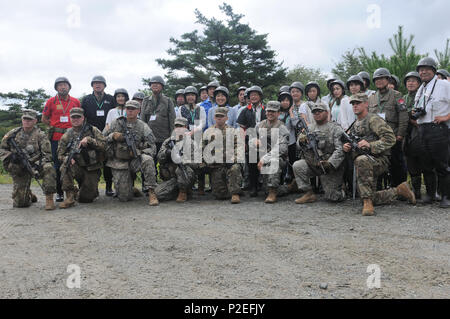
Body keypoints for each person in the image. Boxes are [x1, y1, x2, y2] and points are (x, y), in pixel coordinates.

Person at [343, 93, 416, 216]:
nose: (355, 106)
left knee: (361, 160)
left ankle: (368, 203)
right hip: (366, 161)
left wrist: (371, 145)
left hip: (379, 160)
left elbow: (390, 139)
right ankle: (399, 190)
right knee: (369, 195)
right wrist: (348, 147)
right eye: (353, 104)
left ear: (366, 104)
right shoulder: (355, 123)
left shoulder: (373, 119)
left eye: (358, 103)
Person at [103, 100, 159, 205]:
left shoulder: (143, 126)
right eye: (128, 109)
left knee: (148, 160)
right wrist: (113, 136)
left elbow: (152, 147)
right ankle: (131, 189)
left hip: (135, 159)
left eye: (133, 109)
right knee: (124, 198)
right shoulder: (116, 122)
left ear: (138, 110)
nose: (130, 111)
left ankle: (151, 192)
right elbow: (102, 138)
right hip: (119, 161)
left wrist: (139, 152)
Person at [0, 110, 56, 210]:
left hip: (36, 165)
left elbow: (47, 155)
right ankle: (28, 194)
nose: (27, 121)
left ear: (35, 121)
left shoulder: (41, 135)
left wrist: (37, 164)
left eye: (30, 119)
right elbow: (2, 149)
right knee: (20, 204)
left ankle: (49, 198)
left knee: (49, 168)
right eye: (25, 119)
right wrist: (11, 156)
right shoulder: (13, 133)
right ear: (22, 120)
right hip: (19, 167)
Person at [293, 102, 346, 204]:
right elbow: (298, 146)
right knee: (298, 165)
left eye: (320, 111)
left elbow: (340, 150)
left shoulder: (335, 128)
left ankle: (341, 188)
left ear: (326, 112)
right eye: (314, 112)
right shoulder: (309, 128)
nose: (317, 114)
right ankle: (308, 193)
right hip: (313, 164)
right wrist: (302, 140)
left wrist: (329, 163)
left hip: (329, 167)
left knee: (333, 197)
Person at [414, 57, 450, 208]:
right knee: (426, 165)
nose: (423, 71)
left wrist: (446, 117)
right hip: (422, 129)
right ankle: (430, 195)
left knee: (442, 165)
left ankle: (446, 196)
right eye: (421, 70)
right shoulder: (421, 88)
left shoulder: (444, 85)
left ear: (434, 70)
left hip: (438, 129)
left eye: (427, 69)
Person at [57, 108, 106, 208]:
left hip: (92, 168)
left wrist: (90, 140)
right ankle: (70, 197)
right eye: (73, 117)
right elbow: (60, 154)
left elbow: (105, 146)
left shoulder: (93, 130)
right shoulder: (66, 135)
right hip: (76, 167)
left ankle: (87, 191)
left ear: (83, 118)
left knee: (86, 199)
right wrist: (66, 158)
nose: (76, 119)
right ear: (70, 118)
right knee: (65, 167)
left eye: (78, 117)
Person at [369, 68, 409, 188]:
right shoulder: (372, 98)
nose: (379, 81)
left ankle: (401, 189)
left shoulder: (397, 96)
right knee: (378, 164)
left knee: (397, 164)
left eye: (382, 78)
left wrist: (400, 135)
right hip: (377, 138)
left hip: (393, 136)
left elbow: (403, 116)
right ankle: (380, 189)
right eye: (377, 79)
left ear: (388, 80)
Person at [42, 77, 80, 202]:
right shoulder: (51, 101)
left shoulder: (75, 101)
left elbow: (81, 117)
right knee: (57, 164)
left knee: (74, 162)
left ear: (69, 87)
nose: (63, 87)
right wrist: (55, 126)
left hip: (72, 137)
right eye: (60, 85)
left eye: (65, 85)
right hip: (56, 138)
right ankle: (59, 192)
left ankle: (76, 190)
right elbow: (44, 118)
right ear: (56, 88)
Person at [81, 75, 115, 197]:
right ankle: (92, 187)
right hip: (90, 134)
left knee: (107, 161)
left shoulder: (111, 99)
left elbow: (114, 116)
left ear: (104, 85)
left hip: (107, 134)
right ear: (92, 85)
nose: (98, 85)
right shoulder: (86, 99)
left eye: (100, 83)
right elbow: (82, 118)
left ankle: (108, 186)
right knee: (92, 160)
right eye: (95, 83)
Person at [249, 101, 289, 203]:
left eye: (273, 111)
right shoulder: (260, 125)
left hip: (277, 158)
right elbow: (250, 138)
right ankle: (253, 186)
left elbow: (281, 148)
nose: (270, 113)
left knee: (273, 161)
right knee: (250, 155)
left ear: (278, 113)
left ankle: (273, 192)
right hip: (261, 155)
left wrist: (265, 158)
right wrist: (254, 141)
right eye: (268, 111)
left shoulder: (282, 128)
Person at [203, 107, 243, 203]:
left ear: (226, 118)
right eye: (217, 116)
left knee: (235, 168)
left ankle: (235, 193)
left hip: (230, 163)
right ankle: (230, 188)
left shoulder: (233, 131)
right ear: (214, 118)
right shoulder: (208, 132)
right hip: (216, 165)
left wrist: (234, 159)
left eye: (222, 116)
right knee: (219, 195)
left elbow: (239, 147)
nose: (219, 118)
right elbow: (202, 149)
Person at [156, 117, 197, 202]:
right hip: (172, 178)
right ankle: (176, 191)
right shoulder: (168, 142)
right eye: (176, 126)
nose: (178, 129)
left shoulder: (192, 143)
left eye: (181, 126)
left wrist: (183, 159)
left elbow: (197, 164)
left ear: (186, 128)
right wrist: (168, 153)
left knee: (180, 168)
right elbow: (159, 158)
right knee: (158, 195)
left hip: (185, 175)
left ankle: (183, 192)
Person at [402, 71, 429, 200]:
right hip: (407, 133)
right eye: (408, 81)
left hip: (421, 131)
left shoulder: (424, 95)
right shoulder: (403, 98)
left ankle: (431, 193)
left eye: (413, 80)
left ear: (419, 83)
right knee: (411, 163)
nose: (410, 83)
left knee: (426, 161)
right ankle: (416, 192)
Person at [140, 75, 176, 171]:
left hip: (164, 138)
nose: (155, 85)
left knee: (165, 162)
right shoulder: (146, 100)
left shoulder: (168, 101)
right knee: (149, 161)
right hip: (149, 137)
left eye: (157, 83)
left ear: (162, 86)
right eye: (153, 83)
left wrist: (171, 138)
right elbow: (142, 119)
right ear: (150, 86)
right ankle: (148, 184)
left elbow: (172, 121)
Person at [237, 85, 266, 197]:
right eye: (251, 95)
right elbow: (241, 127)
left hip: (265, 139)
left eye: (256, 94)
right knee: (252, 163)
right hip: (251, 140)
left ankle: (265, 185)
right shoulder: (245, 110)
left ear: (260, 96)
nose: (253, 97)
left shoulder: (266, 109)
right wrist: (243, 141)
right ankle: (253, 186)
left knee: (264, 161)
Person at [178, 86, 207, 194]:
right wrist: (186, 132)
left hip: (198, 135)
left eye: (192, 95)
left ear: (196, 97)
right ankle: (189, 184)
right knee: (187, 158)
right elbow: (179, 121)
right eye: (188, 95)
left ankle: (201, 185)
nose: (190, 97)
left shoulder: (201, 108)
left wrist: (194, 131)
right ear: (185, 97)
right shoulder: (181, 108)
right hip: (185, 136)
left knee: (200, 159)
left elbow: (203, 123)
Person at [278, 88, 300, 186]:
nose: (285, 102)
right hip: (279, 141)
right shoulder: (278, 113)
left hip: (291, 141)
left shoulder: (293, 112)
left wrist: (291, 112)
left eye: (287, 100)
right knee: (280, 161)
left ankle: (291, 182)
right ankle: (280, 181)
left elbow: (296, 125)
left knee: (292, 162)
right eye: (283, 100)